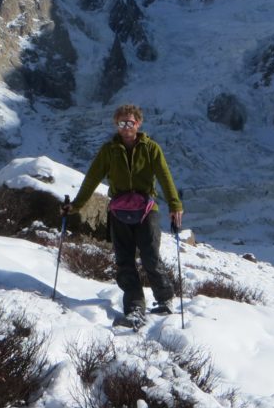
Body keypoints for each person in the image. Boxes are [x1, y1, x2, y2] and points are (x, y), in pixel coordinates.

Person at [64, 103, 184, 322]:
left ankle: (165, 298)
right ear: (116, 124)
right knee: (124, 260)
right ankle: (134, 305)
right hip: (119, 212)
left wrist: (175, 205)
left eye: (130, 122)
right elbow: (92, 178)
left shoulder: (151, 148)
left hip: (147, 209)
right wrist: (77, 205)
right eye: (122, 122)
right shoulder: (108, 151)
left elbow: (165, 177)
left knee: (150, 256)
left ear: (138, 123)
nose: (126, 126)